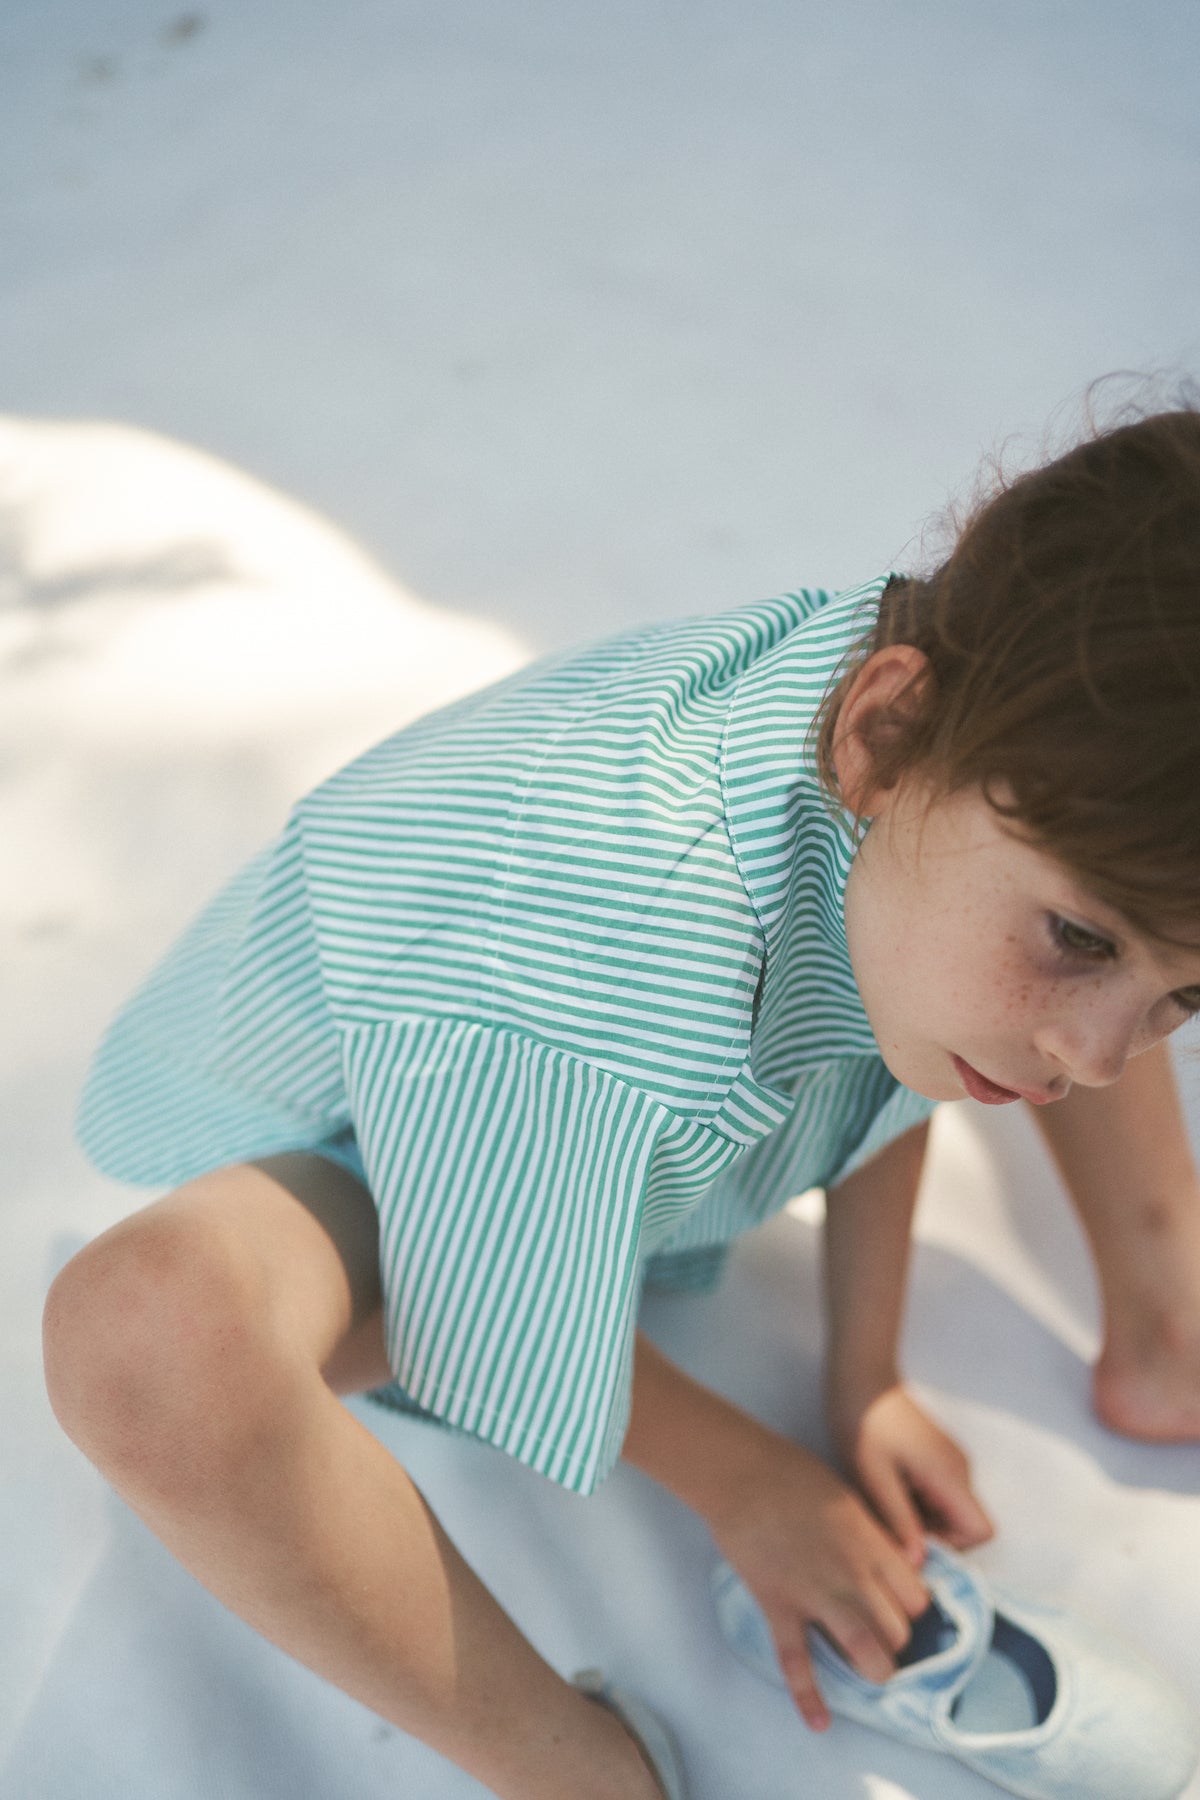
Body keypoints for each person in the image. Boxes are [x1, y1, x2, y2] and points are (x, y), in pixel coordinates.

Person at [42, 401, 1200, 1799]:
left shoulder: (933, 759)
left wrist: (864, 1374)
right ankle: (574, 1770)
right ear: (883, 734)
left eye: (1185, 1006)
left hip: (607, 1090)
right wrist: (759, 1484)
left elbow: (891, 1058)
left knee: (1065, 940)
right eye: (1082, 943)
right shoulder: (608, 952)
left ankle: (1167, 1317)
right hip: (379, 1145)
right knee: (147, 1340)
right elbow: (489, 1288)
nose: (1101, 1053)